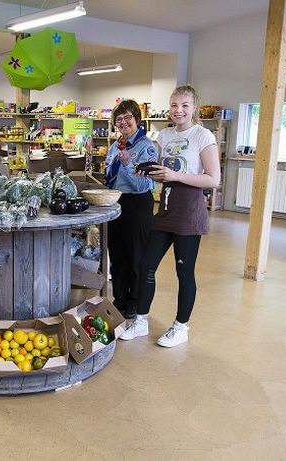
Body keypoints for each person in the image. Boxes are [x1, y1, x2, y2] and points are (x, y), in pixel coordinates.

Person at [119, 85, 220, 347]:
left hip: (189, 213)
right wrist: (140, 168)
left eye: (185, 105)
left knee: (183, 273)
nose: (179, 110)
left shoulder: (203, 135)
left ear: (194, 107)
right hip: (164, 211)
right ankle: (140, 321)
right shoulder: (163, 135)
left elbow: (213, 179)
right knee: (146, 266)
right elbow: (158, 169)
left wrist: (174, 176)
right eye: (174, 105)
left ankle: (181, 327)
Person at [103, 99, 158, 319]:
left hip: (137, 204)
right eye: (119, 119)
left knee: (136, 257)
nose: (124, 122)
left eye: (128, 118)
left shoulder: (147, 147)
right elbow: (109, 176)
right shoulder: (115, 146)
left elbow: (144, 184)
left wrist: (127, 165)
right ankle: (120, 298)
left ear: (137, 119)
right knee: (117, 256)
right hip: (116, 202)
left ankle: (134, 302)